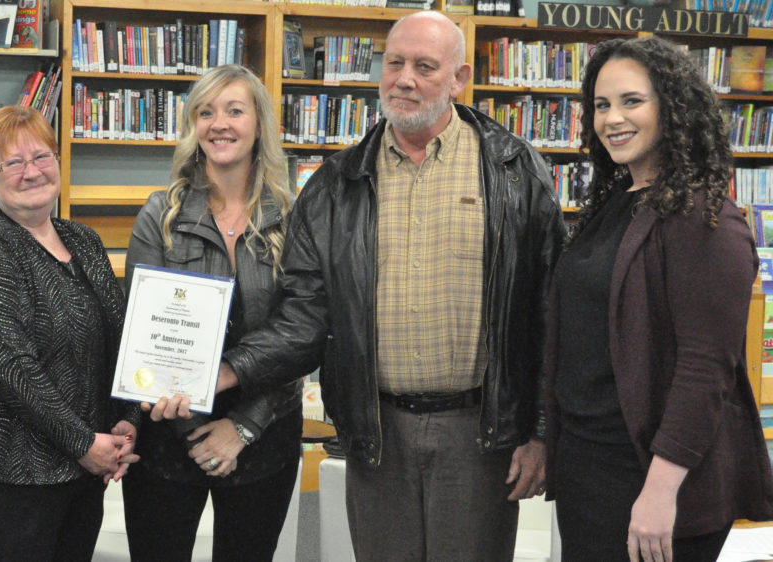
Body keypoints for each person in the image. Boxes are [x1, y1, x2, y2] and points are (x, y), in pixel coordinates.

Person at [152, 10, 565, 561]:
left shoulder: (515, 170)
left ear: (460, 78)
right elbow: (304, 314)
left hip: (480, 436)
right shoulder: (336, 184)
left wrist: (539, 430)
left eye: (425, 66)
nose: (405, 78)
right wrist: (222, 371)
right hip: (378, 435)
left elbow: (549, 310)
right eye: (394, 63)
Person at [545, 36, 773, 562]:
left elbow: (705, 369)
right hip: (589, 468)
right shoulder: (614, 204)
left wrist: (660, 490)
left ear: (672, 107)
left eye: (631, 101)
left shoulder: (705, 220)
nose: (611, 119)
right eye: (601, 105)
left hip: (654, 482)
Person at [122, 64, 303, 562]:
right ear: (193, 125)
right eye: (206, 112)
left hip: (265, 432)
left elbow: (302, 335)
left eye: (234, 110)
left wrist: (242, 427)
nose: (219, 123)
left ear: (259, 124)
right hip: (170, 436)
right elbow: (141, 330)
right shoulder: (161, 214)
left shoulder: (293, 218)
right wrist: (194, 433)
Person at [0, 105, 139, 561]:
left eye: (42, 157)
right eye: (12, 163)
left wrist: (127, 417)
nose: (31, 172)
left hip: (83, 474)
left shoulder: (84, 240)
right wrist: (84, 443)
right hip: (10, 481)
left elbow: (116, 340)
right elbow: (10, 366)